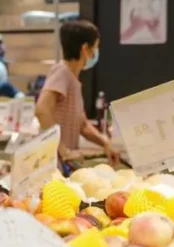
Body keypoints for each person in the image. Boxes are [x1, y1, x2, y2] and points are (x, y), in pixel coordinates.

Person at [35, 20, 118, 165]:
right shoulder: (62, 72)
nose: (96, 53)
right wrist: (63, 150)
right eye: (96, 47)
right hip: (52, 164)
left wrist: (105, 144)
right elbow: (42, 110)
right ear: (85, 49)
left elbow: (83, 126)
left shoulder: (73, 80)